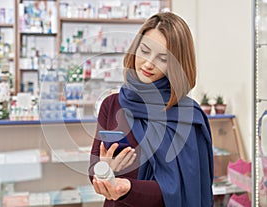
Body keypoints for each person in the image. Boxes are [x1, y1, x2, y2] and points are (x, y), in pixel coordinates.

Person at [89, 12, 213, 207]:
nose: (148, 64)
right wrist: (105, 170)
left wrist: (128, 188)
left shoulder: (187, 117)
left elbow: (181, 190)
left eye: (162, 58)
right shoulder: (111, 104)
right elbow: (94, 171)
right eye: (144, 51)